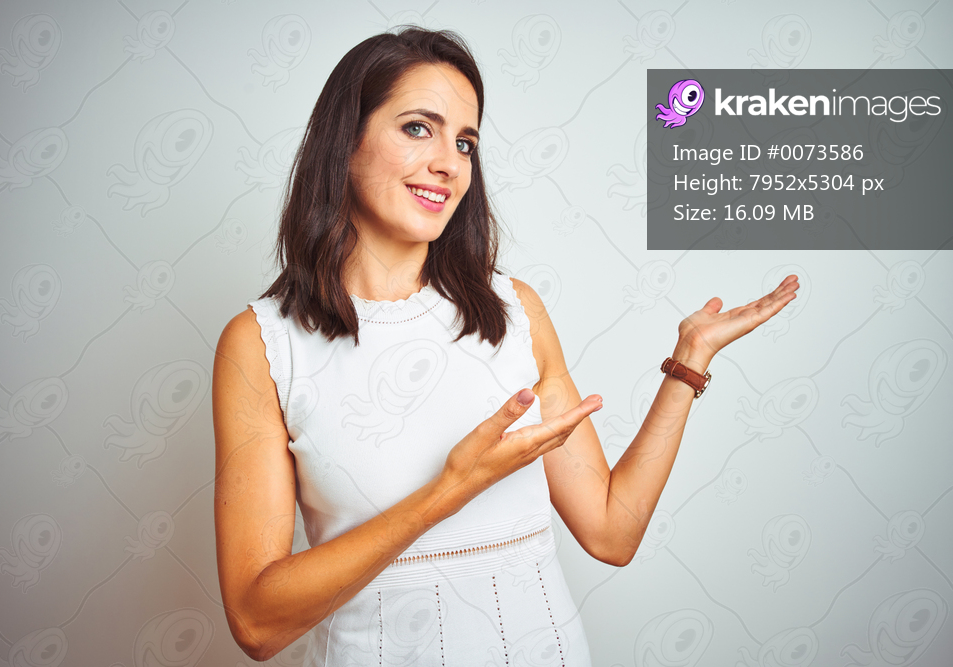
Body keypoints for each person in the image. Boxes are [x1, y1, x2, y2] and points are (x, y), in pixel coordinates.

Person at [212, 27, 799, 665]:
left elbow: (612, 532)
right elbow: (256, 625)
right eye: (418, 128)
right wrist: (451, 489)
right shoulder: (262, 344)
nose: (449, 163)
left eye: (465, 142)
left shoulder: (513, 311)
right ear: (344, 141)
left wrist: (689, 362)